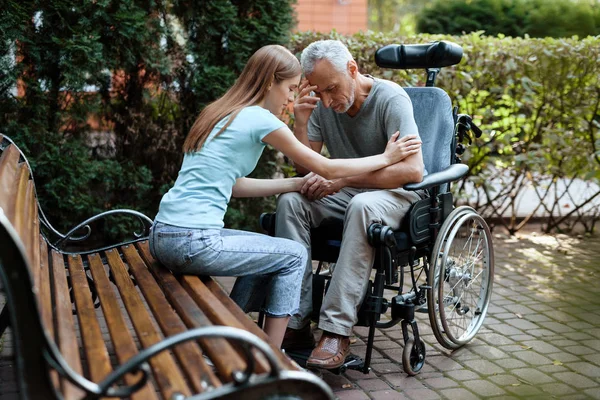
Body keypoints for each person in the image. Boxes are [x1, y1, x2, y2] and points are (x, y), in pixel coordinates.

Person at [149, 44, 422, 348]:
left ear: (353, 70)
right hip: (194, 240)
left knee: (272, 250)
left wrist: (297, 183)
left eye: (301, 90)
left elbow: (236, 185)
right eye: (292, 89)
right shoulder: (263, 119)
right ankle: (273, 346)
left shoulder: (220, 112)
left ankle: (315, 332)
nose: (294, 98)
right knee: (289, 246)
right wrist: (383, 157)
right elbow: (320, 168)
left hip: (162, 233)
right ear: (270, 84)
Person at [275, 39, 426, 367]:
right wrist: (300, 122)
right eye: (320, 92)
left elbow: (412, 170)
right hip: (349, 190)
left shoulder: (391, 99)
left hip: (396, 194)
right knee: (290, 201)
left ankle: (336, 330)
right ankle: (295, 320)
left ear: (353, 70)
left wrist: (343, 179)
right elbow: (305, 167)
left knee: (363, 207)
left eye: (332, 89)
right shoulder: (321, 104)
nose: (327, 102)